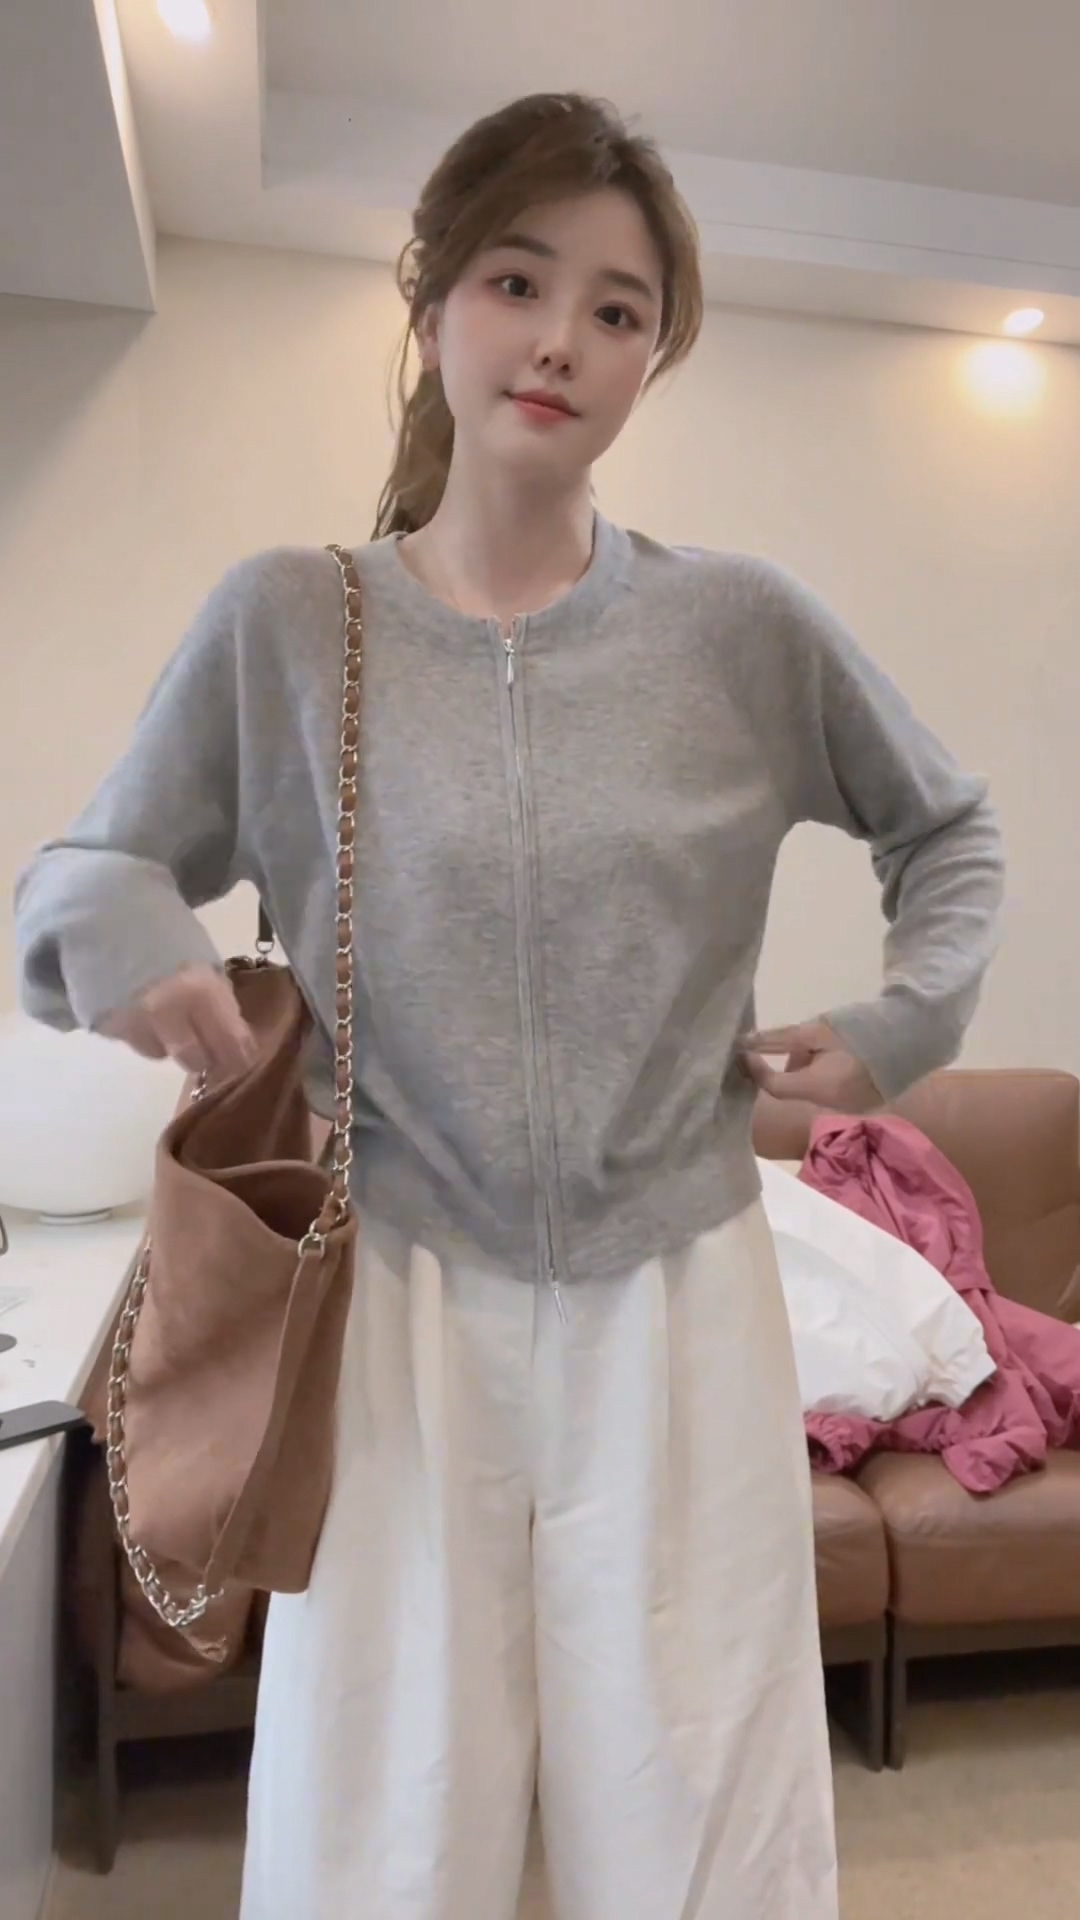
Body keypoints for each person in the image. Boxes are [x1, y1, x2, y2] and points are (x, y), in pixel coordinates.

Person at [15, 92, 1003, 1920]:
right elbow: (70, 878)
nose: (561, 340)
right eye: (518, 281)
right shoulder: (290, 622)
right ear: (433, 306)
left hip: (680, 1290)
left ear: (652, 359)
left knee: (701, 1804)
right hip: (394, 1292)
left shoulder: (741, 630)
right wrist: (139, 925)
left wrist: (905, 1026)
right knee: (384, 1820)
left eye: (619, 311)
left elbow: (950, 830)